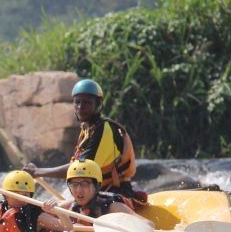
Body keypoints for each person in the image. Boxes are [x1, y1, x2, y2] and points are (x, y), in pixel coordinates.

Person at [22, 78, 147, 207]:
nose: (81, 107)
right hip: (92, 191)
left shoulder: (104, 129)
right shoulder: (87, 128)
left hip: (113, 192)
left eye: (87, 103)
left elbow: (79, 170)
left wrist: (38, 172)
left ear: (98, 104)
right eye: (77, 102)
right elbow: (76, 165)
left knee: (57, 208)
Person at [0, 170, 71, 232]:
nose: (20, 198)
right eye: (16, 193)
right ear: (5, 195)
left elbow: (67, 227)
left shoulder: (35, 214)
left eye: (25, 194)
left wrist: (58, 211)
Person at [58, 159, 134, 219]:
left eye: (84, 184)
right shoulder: (71, 205)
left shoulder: (114, 207)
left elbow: (141, 224)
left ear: (96, 186)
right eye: (74, 184)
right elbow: (54, 209)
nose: (79, 190)